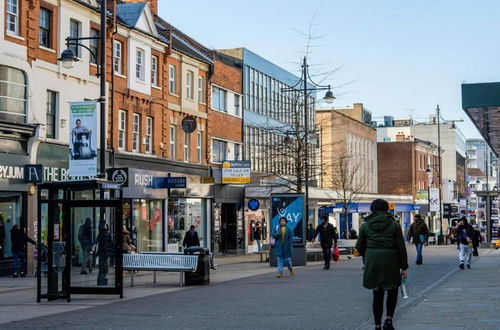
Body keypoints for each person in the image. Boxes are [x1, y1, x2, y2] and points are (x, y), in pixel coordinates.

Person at [355, 199, 408, 330]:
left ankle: (377, 325)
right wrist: (404, 266)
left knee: (377, 294)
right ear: (386, 209)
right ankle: (389, 320)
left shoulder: (365, 225)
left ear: (372, 209)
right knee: (392, 290)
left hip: (373, 261)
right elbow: (401, 247)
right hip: (391, 261)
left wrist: (366, 255)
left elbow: (359, 247)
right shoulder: (394, 225)